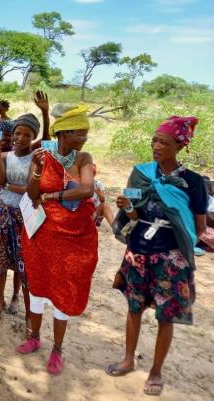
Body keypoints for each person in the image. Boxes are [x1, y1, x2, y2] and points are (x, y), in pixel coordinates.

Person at [107, 116, 206, 396]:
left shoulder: (193, 182)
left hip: (171, 258)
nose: (157, 146)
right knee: (134, 308)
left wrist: (178, 242)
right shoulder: (142, 173)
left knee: (166, 315)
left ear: (180, 145)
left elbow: (197, 228)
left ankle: (156, 371)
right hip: (138, 252)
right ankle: (128, 359)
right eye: (155, 140)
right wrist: (127, 208)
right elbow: (133, 216)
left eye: (164, 142)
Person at [16, 103, 98, 376]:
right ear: (63, 133)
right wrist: (38, 170)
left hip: (73, 238)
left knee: (64, 290)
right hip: (42, 235)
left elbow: (86, 190)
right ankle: (34, 336)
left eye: (85, 132)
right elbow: (31, 192)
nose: (84, 137)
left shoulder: (83, 158)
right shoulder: (43, 156)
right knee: (38, 287)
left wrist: (53, 197)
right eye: (79, 132)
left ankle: (58, 348)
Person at [0, 113, 40, 330]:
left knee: (24, 268)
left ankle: (28, 315)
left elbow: (32, 189)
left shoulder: (36, 158)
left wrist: (10, 186)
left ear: (33, 137)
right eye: (18, 133)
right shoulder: (5, 156)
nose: (21, 137)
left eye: (27, 134)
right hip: (1, 213)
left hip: (25, 217)